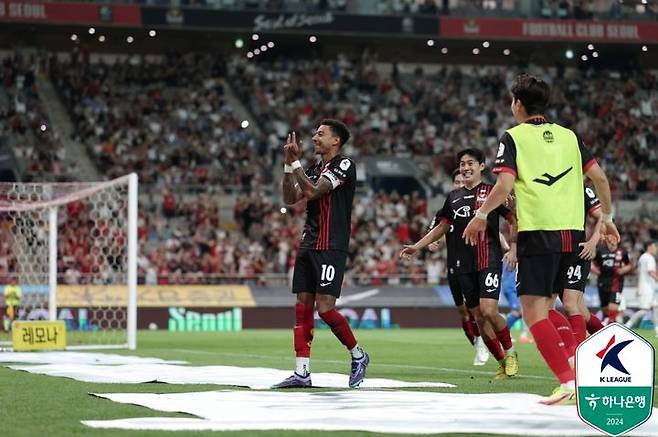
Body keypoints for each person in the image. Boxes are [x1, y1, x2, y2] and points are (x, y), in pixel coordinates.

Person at [463, 73, 619, 405]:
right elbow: (600, 178)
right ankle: (576, 365)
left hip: (538, 232)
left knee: (534, 313)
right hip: (572, 234)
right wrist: (606, 218)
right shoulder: (570, 136)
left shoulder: (513, 137)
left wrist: (480, 215)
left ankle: (568, 383)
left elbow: (504, 186)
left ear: (517, 104)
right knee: (552, 307)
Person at [402, 149, 518, 380]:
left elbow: (514, 219)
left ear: (482, 166)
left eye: (470, 163)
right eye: (462, 163)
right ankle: (502, 363)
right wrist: (418, 246)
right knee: (478, 316)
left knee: (488, 310)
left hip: (489, 258)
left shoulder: (494, 192)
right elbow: (441, 227)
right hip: (462, 264)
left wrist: (513, 248)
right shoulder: (452, 198)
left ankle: (511, 352)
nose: (465, 167)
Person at [273, 119, 369, 389]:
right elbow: (290, 198)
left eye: (320, 134)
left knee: (325, 309)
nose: (314, 138)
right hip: (309, 242)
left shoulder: (344, 164)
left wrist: (295, 164)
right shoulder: (315, 168)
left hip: (331, 245)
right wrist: (287, 165)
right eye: (315, 133)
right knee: (302, 308)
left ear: (336, 140)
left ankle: (358, 355)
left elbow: (313, 191)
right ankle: (301, 371)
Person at [427, 169, 490, 366]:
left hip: (478, 262)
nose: (458, 185)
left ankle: (485, 341)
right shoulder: (447, 208)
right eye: (455, 182)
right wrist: (433, 243)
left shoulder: (478, 207)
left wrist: (506, 246)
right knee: (463, 311)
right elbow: (434, 232)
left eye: (461, 181)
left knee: (479, 309)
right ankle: (478, 343)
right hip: (454, 265)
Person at [592, 237, 632, 325]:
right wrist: (596, 271)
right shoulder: (600, 251)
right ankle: (607, 321)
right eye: (609, 240)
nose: (611, 242)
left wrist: (623, 269)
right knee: (605, 307)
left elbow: (629, 265)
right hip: (602, 282)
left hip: (616, 282)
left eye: (613, 239)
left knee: (613, 306)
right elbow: (593, 264)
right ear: (606, 241)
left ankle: (611, 322)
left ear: (617, 240)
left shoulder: (622, 252)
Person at [626, 242, 657, 332]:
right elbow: (650, 272)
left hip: (650, 287)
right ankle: (628, 325)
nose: (656, 249)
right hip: (647, 288)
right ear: (650, 247)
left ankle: (657, 329)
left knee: (655, 308)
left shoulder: (643, 257)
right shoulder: (648, 258)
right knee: (644, 310)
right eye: (655, 247)